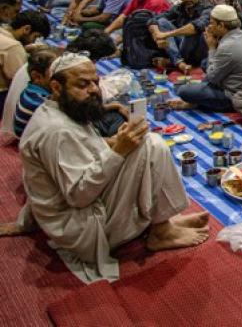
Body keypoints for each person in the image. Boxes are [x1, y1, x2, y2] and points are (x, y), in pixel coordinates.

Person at [8, 53, 210, 281]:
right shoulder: (57, 131)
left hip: (80, 207)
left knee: (144, 143)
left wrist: (116, 142)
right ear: (56, 87)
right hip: (80, 226)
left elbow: (86, 147)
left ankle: (162, 222)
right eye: (83, 84)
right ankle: (161, 231)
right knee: (152, 145)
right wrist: (118, 150)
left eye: (95, 81)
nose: (94, 90)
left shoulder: (59, 110)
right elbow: (79, 196)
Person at [173, 5, 242, 112]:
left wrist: (211, 47)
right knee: (205, 63)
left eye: (212, 23)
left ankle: (200, 102)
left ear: (221, 25)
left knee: (184, 91)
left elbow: (212, 77)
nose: (209, 27)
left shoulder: (227, 46)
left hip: (239, 97)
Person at [147, 0, 211, 73]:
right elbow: (153, 20)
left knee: (192, 31)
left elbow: (196, 27)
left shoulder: (207, 7)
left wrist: (165, 35)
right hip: (182, 46)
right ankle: (179, 62)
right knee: (161, 22)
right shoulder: (180, 8)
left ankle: (174, 61)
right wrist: (157, 36)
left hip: (199, 51)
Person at [0, 11, 49, 109]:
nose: (34, 41)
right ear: (26, 29)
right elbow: (20, 79)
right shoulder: (14, 47)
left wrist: (24, 50)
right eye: (35, 37)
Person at [12, 49, 57, 137]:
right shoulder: (40, 103)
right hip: (27, 141)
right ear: (37, 76)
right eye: (54, 72)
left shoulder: (29, 89)